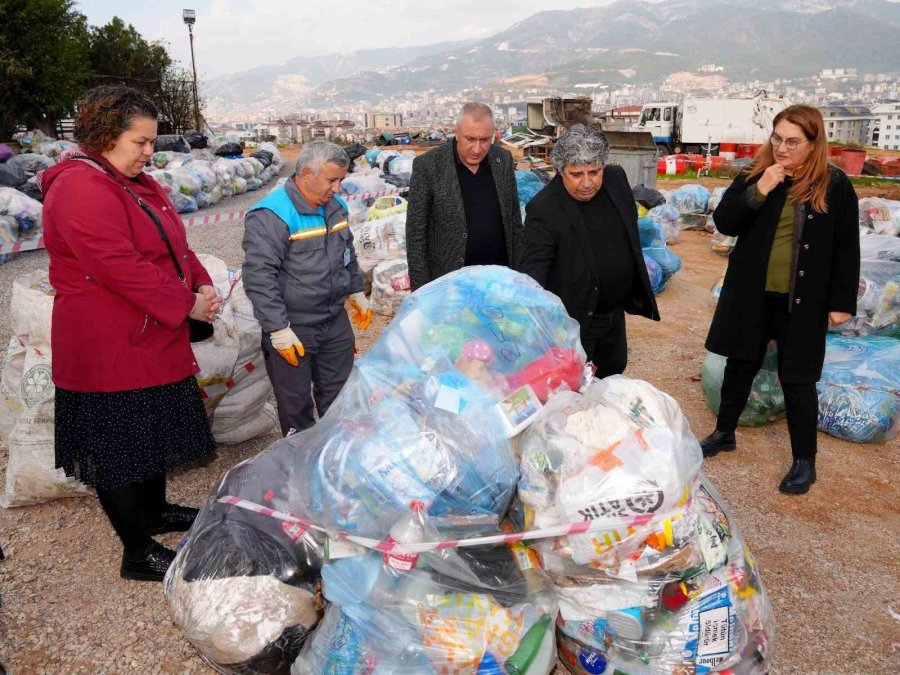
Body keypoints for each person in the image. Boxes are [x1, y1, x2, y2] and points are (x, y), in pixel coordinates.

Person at [41, 86, 220, 582]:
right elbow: (119, 265)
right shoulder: (81, 187)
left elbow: (174, 245)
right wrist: (186, 304)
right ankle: (136, 552)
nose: (149, 152)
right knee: (119, 447)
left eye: (150, 142)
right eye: (140, 141)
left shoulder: (131, 181)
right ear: (104, 136)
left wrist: (200, 279)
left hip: (145, 333)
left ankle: (155, 511)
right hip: (108, 343)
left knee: (149, 432)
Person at [699, 104, 859, 495]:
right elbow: (725, 223)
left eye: (793, 141)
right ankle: (724, 432)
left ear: (813, 142)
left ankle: (805, 461)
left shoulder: (834, 185)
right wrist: (761, 189)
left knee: (798, 379)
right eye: (777, 138)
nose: (783, 148)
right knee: (740, 363)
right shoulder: (755, 175)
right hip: (752, 294)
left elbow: (846, 248)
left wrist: (841, 302)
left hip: (802, 301)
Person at [242, 141, 371, 436]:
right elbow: (259, 276)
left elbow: (346, 252)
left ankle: (334, 459)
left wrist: (355, 290)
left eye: (341, 180)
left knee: (340, 398)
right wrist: (278, 329)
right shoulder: (271, 214)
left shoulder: (336, 207)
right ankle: (299, 463)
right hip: (294, 327)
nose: (337, 189)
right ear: (307, 173)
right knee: (296, 406)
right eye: (331, 180)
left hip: (334, 321)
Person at [519, 124, 660, 378]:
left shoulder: (616, 180)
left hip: (614, 315)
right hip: (577, 320)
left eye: (594, 172)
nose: (587, 183)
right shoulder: (544, 209)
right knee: (575, 383)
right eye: (577, 174)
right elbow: (534, 270)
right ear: (561, 171)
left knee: (614, 371)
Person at [406, 102, 524, 291]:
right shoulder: (428, 166)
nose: (477, 149)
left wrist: (519, 277)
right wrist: (422, 293)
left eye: (485, 140)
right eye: (470, 139)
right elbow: (415, 235)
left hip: (499, 281)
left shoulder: (502, 160)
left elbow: (514, 224)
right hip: (449, 285)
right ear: (457, 133)